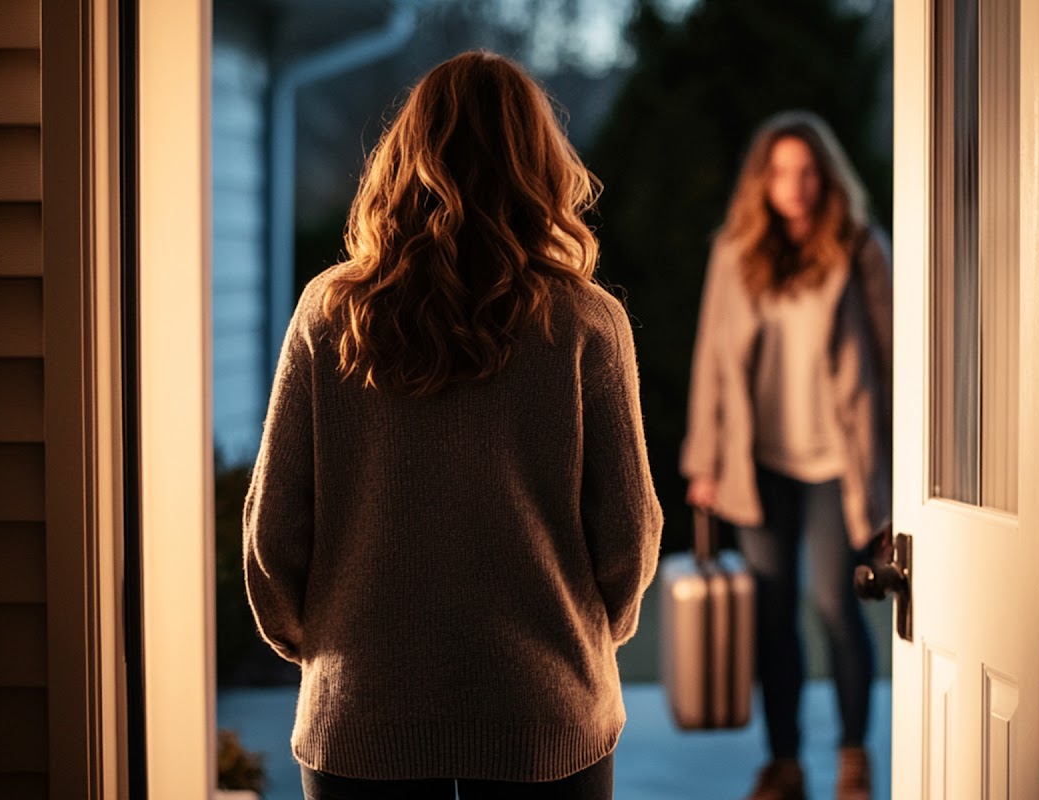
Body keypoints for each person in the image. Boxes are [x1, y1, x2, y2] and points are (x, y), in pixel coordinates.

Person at [243, 50, 663, 800]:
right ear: (539, 166)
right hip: (544, 712)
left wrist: (320, 647)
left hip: (362, 709)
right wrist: (593, 636)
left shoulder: (328, 311)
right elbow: (629, 532)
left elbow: (274, 531)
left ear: (403, 158)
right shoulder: (588, 322)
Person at [681, 110, 893, 800]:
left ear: (825, 177)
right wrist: (703, 460)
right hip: (758, 459)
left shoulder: (860, 246)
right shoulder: (734, 252)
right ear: (762, 181)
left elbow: (895, 359)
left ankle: (855, 757)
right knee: (772, 615)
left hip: (839, 460)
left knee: (835, 601)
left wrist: (903, 462)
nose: (794, 185)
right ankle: (784, 762)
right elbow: (712, 358)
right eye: (781, 172)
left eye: (807, 172)